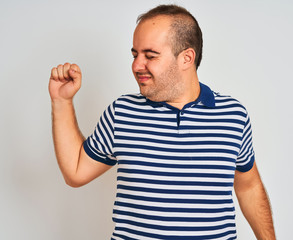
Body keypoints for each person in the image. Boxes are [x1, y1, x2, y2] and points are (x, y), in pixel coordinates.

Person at [49, 4, 276, 240]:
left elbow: (249, 186)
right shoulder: (122, 112)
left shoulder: (233, 115)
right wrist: (61, 101)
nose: (137, 65)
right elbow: (75, 172)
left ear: (187, 57)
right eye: (135, 54)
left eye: (150, 55)